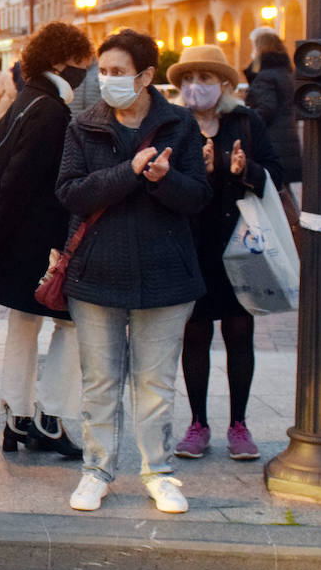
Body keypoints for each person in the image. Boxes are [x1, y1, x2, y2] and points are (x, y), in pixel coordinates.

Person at [56, 29, 211, 515]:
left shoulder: (180, 126)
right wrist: (129, 173)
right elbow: (71, 193)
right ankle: (96, 470)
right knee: (99, 382)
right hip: (96, 275)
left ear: (146, 76)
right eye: (105, 70)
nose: (109, 80)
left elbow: (198, 198)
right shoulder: (84, 125)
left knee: (155, 384)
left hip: (165, 277)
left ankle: (159, 472)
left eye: (120, 72)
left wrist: (165, 180)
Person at [0, 22, 93, 460]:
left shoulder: (26, 101)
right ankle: (51, 417)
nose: (88, 72)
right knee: (69, 324)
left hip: (16, 238)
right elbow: (35, 180)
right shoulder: (51, 110)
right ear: (64, 61)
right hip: (41, 240)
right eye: (84, 64)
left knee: (23, 325)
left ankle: (17, 416)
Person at [166, 45, 282, 463]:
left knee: (238, 332)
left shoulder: (245, 121)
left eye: (206, 78)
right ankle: (197, 423)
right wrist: (198, 171)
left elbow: (275, 170)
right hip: (192, 245)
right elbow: (160, 182)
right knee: (194, 333)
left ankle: (239, 423)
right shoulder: (175, 123)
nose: (196, 86)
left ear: (226, 84)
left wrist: (243, 170)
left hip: (240, 244)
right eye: (190, 78)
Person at [244, 27, 302, 198]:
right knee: (283, 194)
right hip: (286, 141)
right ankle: (293, 224)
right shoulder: (285, 73)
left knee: (276, 194)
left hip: (272, 142)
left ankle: (292, 225)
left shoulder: (265, 76)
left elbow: (266, 108)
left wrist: (247, 119)